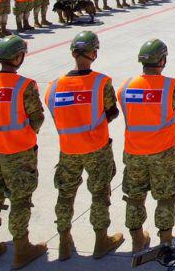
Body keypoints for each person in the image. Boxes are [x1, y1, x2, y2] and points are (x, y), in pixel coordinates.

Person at [45, 31, 125, 259]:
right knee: (99, 194)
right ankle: (101, 241)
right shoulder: (101, 82)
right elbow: (111, 112)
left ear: (73, 53)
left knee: (65, 195)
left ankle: (63, 241)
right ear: (94, 53)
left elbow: (55, 114)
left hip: (68, 150)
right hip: (96, 148)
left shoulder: (54, 86)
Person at [0, 35, 47, 269]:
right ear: (17, 57)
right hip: (17, 151)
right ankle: (21, 248)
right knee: (20, 200)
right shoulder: (24, 86)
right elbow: (37, 118)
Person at [118, 39, 175, 252]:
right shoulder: (172, 86)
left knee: (135, 196)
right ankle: (166, 240)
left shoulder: (126, 86)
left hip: (134, 152)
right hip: (163, 152)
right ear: (163, 60)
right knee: (166, 197)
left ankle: (137, 239)